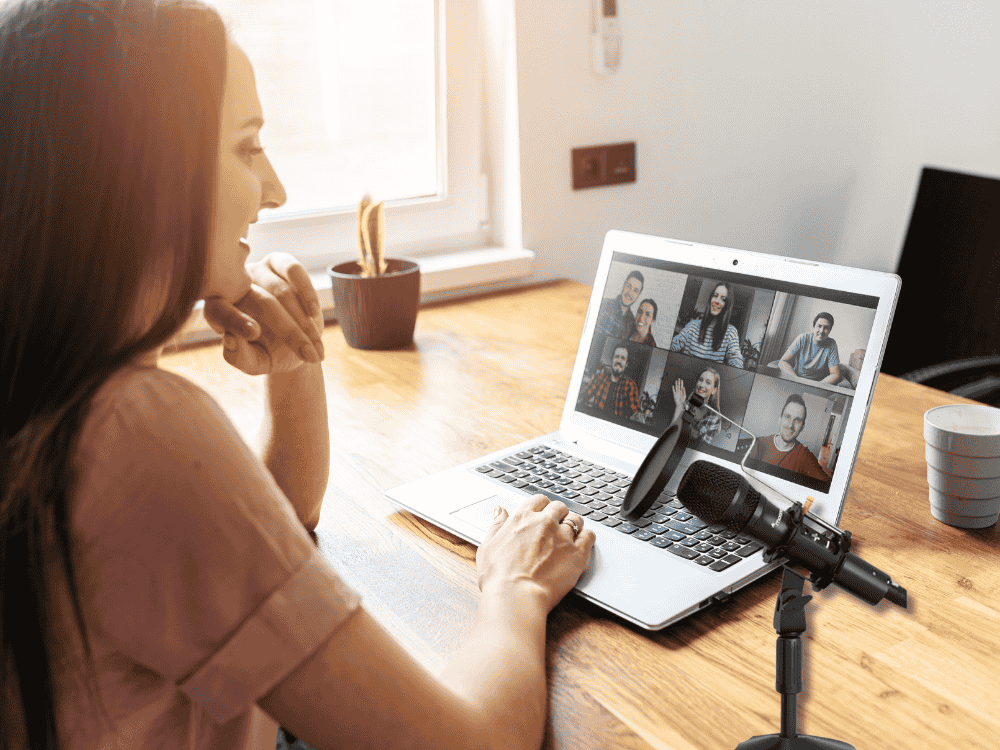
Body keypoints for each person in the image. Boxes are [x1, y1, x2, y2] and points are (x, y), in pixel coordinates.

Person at [0, 2, 595, 750]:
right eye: (247, 147)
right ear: (144, 172)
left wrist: (290, 367)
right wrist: (516, 590)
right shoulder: (133, 428)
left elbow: (263, 536)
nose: (274, 190)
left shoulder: (50, 379)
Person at [748, 394, 830, 481]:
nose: (790, 425)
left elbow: (828, 486)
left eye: (797, 420)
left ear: (802, 427)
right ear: (780, 419)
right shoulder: (760, 443)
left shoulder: (804, 456)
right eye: (787, 417)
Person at [670, 282, 744, 368]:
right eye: (715, 296)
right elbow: (673, 345)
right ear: (710, 299)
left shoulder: (731, 332)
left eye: (723, 299)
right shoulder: (692, 325)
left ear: (727, 305)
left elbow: (736, 360)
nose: (717, 301)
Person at [778, 312, 842, 384]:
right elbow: (783, 361)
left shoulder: (832, 344)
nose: (821, 331)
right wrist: (795, 380)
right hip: (797, 379)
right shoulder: (803, 338)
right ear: (814, 326)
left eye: (826, 328)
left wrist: (817, 386)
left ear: (830, 330)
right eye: (819, 326)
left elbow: (835, 374)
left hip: (818, 383)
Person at [581, 345, 641, 420]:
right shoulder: (600, 377)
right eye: (616, 357)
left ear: (626, 364)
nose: (619, 361)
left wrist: (638, 417)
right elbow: (583, 395)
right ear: (612, 359)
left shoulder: (631, 385)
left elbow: (636, 412)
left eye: (623, 358)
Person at [669, 368, 726, 445]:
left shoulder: (714, 418)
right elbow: (670, 436)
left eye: (708, 382)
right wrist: (679, 406)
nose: (702, 385)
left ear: (713, 390)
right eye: (700, 380)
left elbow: (697, 448)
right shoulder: (686, 405)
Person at [595, 270, 644, 339]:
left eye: (635, 291)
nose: (630, 293)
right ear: (624, 285)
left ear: (638, 295)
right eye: (628, 286)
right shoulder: (602, 304)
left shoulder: (632, 325)